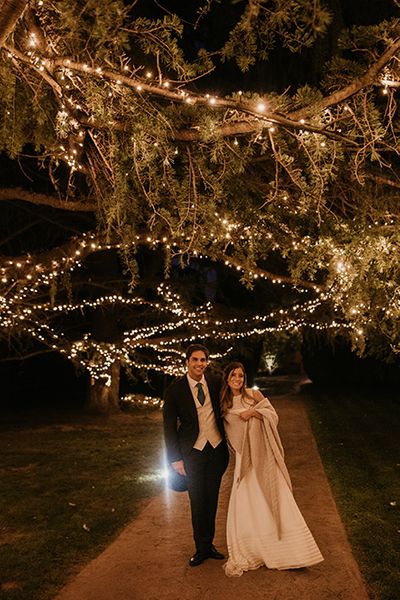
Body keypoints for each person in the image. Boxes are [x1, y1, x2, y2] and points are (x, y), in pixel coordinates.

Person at [220, 361, 323, 577]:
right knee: (248, 502)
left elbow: (273, 415)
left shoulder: (252, 395)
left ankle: (293, 551)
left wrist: (254, 413)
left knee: (276, 497)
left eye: (241, 375)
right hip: (243, 459)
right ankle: (255, 548)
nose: (238, 379)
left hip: (263, 454)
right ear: (227, 378)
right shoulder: (224, 404)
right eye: (233, 375)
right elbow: (227, 431)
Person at [163, 344, 229, 567]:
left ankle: (209, 544)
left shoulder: (216, 382)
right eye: (195, 360)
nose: (199, 364)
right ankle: (201, 548)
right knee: (198, 500)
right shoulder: (175, 390)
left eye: (203, 360)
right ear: (187, 362)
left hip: (217, 450)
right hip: (192, 453)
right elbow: (169, 427)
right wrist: (175, 459)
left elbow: (235, 396)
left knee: (211, 500)